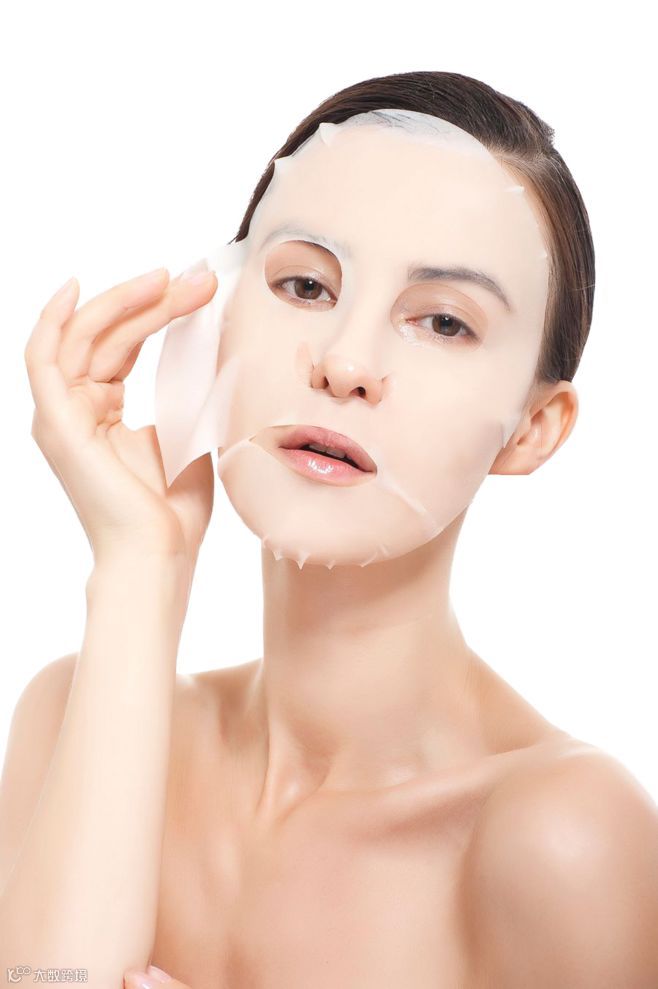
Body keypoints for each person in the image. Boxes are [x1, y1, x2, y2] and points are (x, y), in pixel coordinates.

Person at [2, 70, 657, 989]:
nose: (346, 363)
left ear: (532, 428)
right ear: (215, 319)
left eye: (443, 321)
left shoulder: (565, 839)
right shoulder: (73, 713)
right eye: (305, 284)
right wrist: (139, 569)